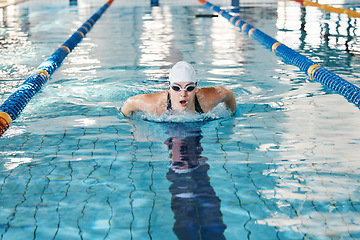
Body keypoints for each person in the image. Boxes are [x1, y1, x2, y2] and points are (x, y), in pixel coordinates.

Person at [121, 61, 236, 116]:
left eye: (189, 88)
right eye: (176, 88)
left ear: (196, 87)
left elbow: (229, 94)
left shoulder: (206, 100)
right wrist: (132, 125)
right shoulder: (156, 105)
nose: (183, 94)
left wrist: (232, 116)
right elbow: (129, 104)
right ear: (169, 88)